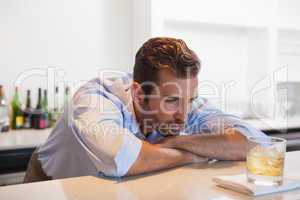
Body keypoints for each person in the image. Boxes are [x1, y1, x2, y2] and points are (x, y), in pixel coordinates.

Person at [24, 37, 266, 182]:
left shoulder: (185, 103)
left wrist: (179, 142)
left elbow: (257, 144)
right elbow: (121, 159)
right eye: (171, 101)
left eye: (190, 100)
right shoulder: (95, 98)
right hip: (53, 185)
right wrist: (195, 153)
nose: (183, 115)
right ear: (140, 94)